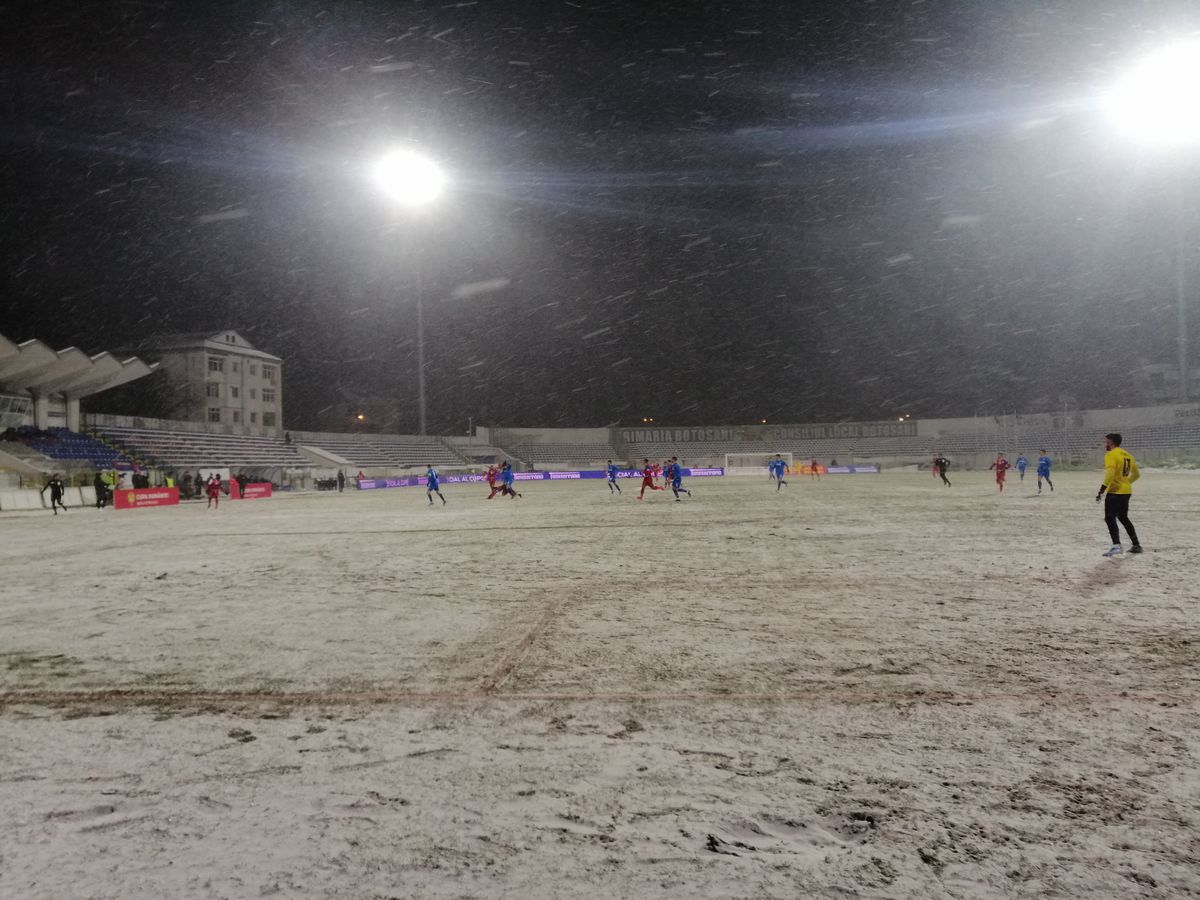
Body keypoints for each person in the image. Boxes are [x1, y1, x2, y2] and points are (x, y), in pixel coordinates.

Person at [1097, 433, 1142, 557]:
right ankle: (1136, 545)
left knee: (1109, 517)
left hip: (1115, 491)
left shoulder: (1111, 455)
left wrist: (1102, 489)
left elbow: (1110, 474)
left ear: (1111, 442)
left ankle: (1116, 545)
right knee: (1123, 517)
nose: (1104, 444)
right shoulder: (1128, 455)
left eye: (1106, 442)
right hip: (1126, 491)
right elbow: (1137, 475)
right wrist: (1126, 482)